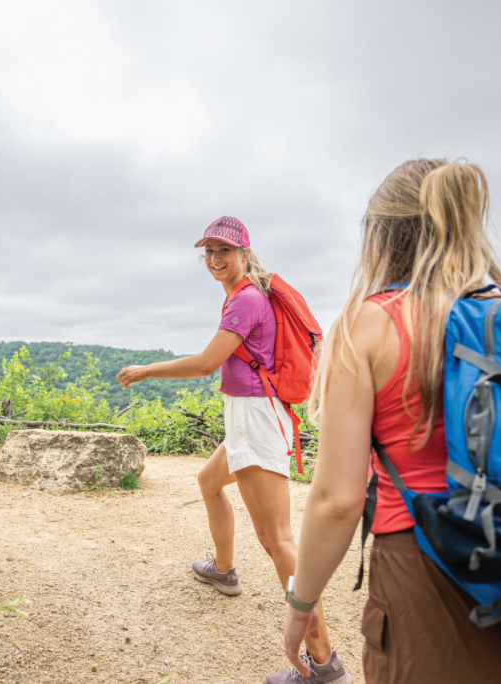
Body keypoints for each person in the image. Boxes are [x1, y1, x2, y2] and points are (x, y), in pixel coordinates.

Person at [280, 159, 501, 683]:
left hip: (434, 573)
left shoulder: (371, 324)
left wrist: (301, 603)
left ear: (380, 235)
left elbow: (337, 500)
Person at [117, 216, 350, 684]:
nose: (215, 259)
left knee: (277, 540)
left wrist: (146, 370)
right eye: (208, 252)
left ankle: (324, 664)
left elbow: (207, 362)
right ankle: (224, 571)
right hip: (253, 415)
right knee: (209, 482)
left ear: (244, 253)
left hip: (254, 418)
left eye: (224, 251)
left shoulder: (245, 300)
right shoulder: (246, 295)